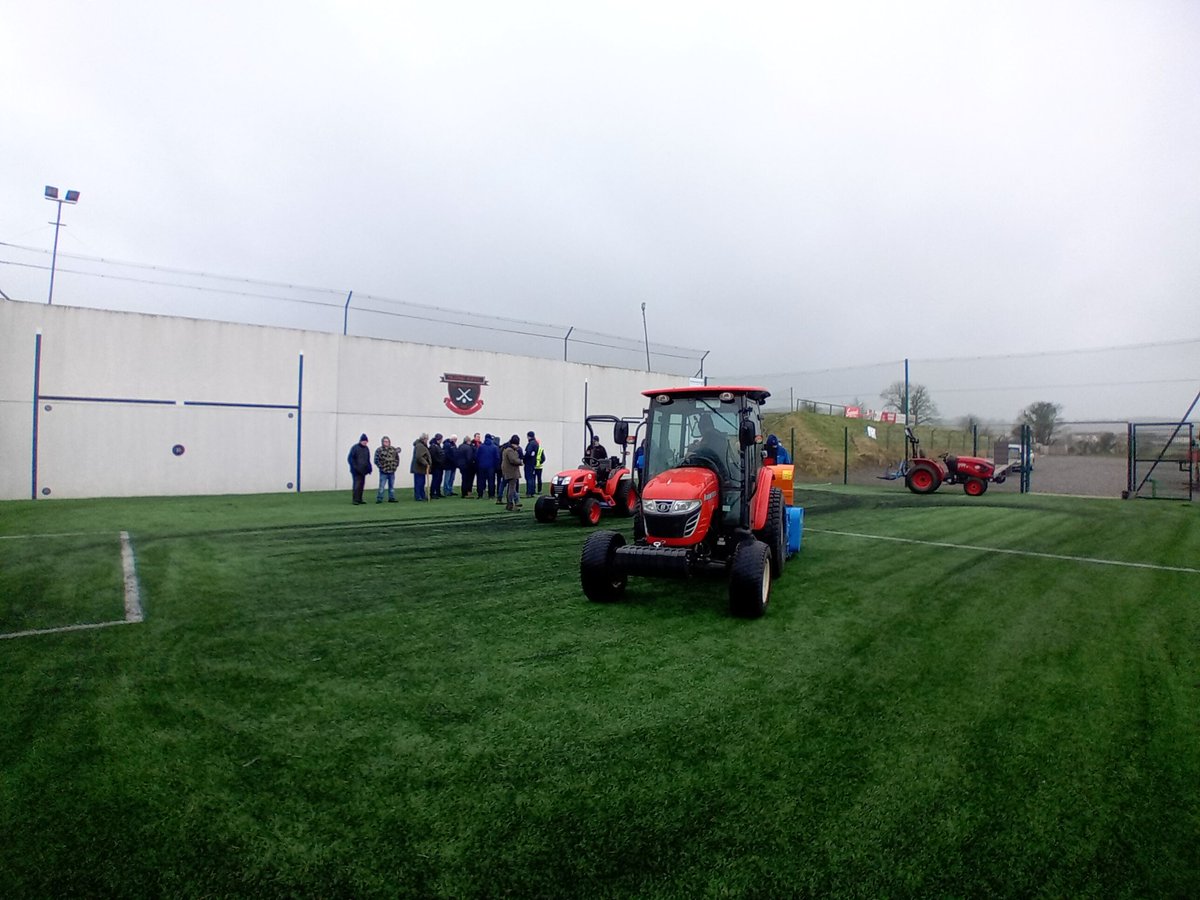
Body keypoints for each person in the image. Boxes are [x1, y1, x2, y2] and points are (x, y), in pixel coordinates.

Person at [347, 434, 372, 505]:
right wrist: (355, 468)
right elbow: (350, 459)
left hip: (363, 471)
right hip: (356, 471)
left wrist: (369, 468)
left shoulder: (366, 449)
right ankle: (355, 500)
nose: (365, 442)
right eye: (364, 441)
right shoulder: (355, 448)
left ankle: (360, 499)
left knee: (362, 485)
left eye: (366, 441)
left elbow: (368, 459)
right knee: (357, 485)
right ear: (360, 441)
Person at [374, 435, 400, 503]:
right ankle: (379, 499)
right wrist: (381, 467)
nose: (386, 443)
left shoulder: (393, 449)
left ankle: (391, 498)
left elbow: (397, 459)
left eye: (387, 441)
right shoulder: (379, 450)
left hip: (392, 471)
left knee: (391, 487)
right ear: (382, 442)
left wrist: (395, 466)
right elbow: (376, 460)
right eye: (385, 441)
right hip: (383, 472)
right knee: (382, 486)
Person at [501, 434, 524, 510]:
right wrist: (520, 462)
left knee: (511, 489)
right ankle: (510, 504)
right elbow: (513, 460)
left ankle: (511, 504)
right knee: (511, 489)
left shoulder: (506, 449)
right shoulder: (510, 450)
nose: (517, 446)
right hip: (511, 472)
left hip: (508, 471)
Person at [476, 434, 500, 499]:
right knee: (491, 481)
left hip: (481, 466)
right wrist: (496, 467)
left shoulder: (481, 447)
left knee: (481, 481)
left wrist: (478, 465)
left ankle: (480, 494)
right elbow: (497, 458)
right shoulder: (494, 447)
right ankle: (491, 495)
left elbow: (477, 457)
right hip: (491, 467)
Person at [411, 432, 432, 501]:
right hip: (419, 468)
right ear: (424, 439)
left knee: (422, 482)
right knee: (419, 482)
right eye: (426, 439)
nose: (427, 440)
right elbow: (419, 457)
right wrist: (426, 463)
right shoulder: (420, 446)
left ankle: (422, 495)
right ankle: (418, 496)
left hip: (421, 468)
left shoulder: (421, 445)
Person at [457, 434, 477, 498]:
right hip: (467, 466)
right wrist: (472, 464)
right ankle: (467, 493)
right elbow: (469, 458)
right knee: (468, 480)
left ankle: (463, 492)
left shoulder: (460, 446)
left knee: (464, 479)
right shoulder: (468, 448)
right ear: (468, 441)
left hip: (461, 465)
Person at [523, 431, 540, 497]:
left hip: (529, 462)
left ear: (528, 436)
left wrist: (524, 458)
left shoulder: (531, 444)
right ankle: (532, 491)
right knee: (532, 477)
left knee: (528, 477)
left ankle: (529, 492)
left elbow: (528, 453)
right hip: (533, 462)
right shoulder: (536, 443)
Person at [428, 433, 445, 499]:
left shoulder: (438, 445)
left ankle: (438, 492)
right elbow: (434, 457)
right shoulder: (433, 446)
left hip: (440, 466)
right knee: (435, 480)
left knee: (439, 480)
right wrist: (440, 461)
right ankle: (432, 493)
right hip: (436, 466)